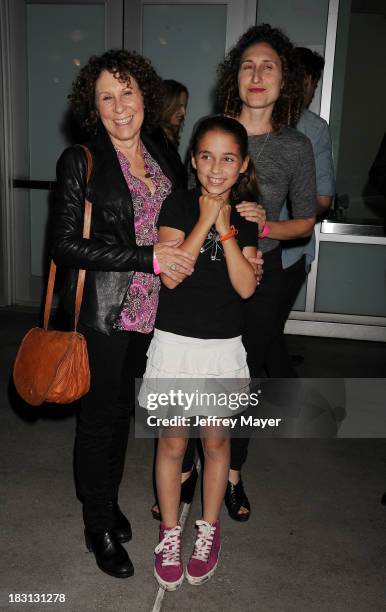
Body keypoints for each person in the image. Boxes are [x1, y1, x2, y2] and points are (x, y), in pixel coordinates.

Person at [51, 49, 195, 579]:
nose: (119, 106)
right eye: (105, 97)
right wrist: (145, 257)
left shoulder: (161, 151)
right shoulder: (81, 161)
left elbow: (186, 211)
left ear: (145, 96)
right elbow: (65, 245)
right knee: (98, 421)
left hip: (158, 312)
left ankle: (107, 503)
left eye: (127, 92)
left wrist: (238, 215)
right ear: (92, 107)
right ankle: (98, 525)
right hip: (106, 313)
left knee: (121, 419)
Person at [140, 115, 258, 590]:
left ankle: (208, 530)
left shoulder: (248, 216)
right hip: (174, 344)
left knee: (215, 445)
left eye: (228, 158)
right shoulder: (178, 203)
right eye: (206, 155)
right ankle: (170, 533)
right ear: (193, 158)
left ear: (242, 164)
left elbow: (247, 287)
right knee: (172, 444)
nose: (215, 167)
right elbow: (170, 275)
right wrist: (206, 217)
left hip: (222, 348)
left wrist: (227, 226)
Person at [215, 24, 317, 520]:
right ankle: (191, 470)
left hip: (263, 273)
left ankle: (232, 472)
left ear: (284, 80)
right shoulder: (212, 128)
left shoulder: (296, 145)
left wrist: (267, 224)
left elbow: (306, 221)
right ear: (235, 76)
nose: (257, 75)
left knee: (245, 374)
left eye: (268, 66)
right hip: (208, 270)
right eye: (248, 66)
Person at [264, 46, 336, 373]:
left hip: (279, 250)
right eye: (314, 82)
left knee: (260, 332)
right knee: (262, 332)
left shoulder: (309, 128)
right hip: (279, 251)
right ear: (304, 79)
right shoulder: (312, 128)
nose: (312, 90)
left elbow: (322, 199)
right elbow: (323, 199)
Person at [149, 79, 189, 188]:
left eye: (184, 106)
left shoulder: (167, 140)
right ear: (165, 104)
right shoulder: (153, 140)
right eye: (178, 106)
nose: (183, 112)